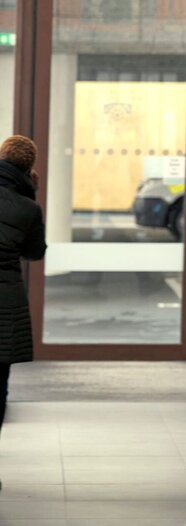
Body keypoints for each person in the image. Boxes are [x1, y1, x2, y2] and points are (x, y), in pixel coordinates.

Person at [0, 135, 47, 490]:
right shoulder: (27, 208)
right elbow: (34, 252)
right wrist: (30, 196)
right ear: (29, 169)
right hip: (5, 305)